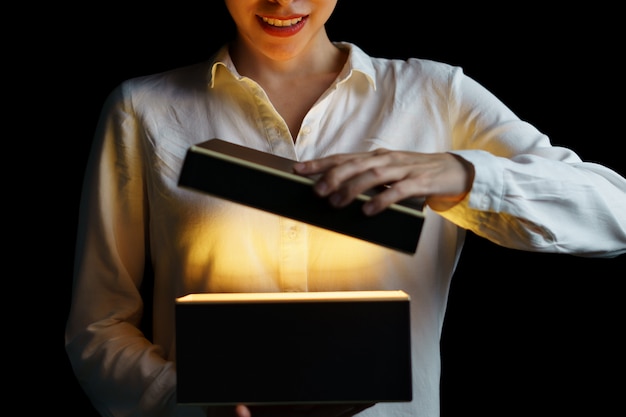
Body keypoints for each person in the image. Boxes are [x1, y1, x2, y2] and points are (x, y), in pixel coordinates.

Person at [65, 1, 626, 416]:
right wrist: (183, 403)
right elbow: (99, 325)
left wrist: (464, 175)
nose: (282, 3)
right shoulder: (143, 110)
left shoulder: (435, 94)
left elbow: (615, 211)